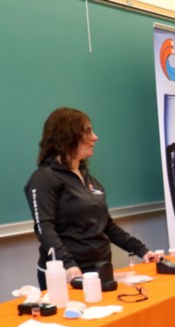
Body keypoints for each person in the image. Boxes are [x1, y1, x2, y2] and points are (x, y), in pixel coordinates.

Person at [25, 107, 158, 289]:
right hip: (68, 276)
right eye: (87, 132)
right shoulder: (43, 179)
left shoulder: (87, 177)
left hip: (100, 270)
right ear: (67, 136)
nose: (95, 137)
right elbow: (44, 228)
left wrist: (141, 250)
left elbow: (106, 224)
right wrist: (68, 265)